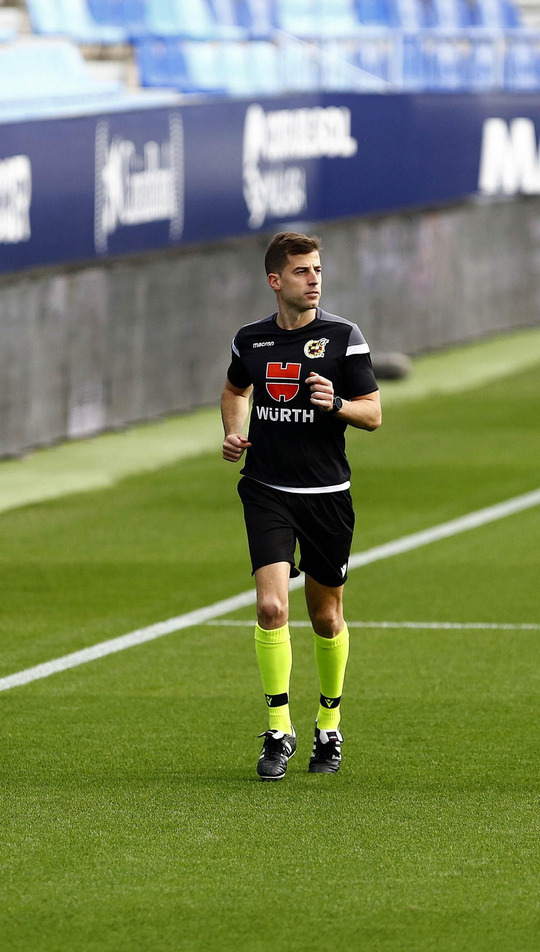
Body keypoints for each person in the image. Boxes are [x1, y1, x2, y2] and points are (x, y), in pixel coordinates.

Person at [221, 232, 382, 780]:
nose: (314, 280)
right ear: (275, 281)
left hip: (326, 496)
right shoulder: (252, 340)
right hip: (266, 490)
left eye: (317, 270)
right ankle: (278, 729)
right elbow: (234, 390)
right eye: (301, 272)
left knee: (325, 615)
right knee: (271, 609)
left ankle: (328, 726)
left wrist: (335, 403)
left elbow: (373, 413)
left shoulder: (344, 337)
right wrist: (233, 433)